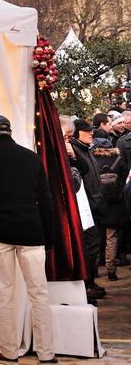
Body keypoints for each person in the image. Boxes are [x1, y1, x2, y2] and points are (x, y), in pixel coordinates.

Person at [0, 115, 57, 365]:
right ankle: (47, 354)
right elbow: (46, 201)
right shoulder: (31, 158)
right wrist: (47, 236)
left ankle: (10, 352)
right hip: (32, 233)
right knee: (39, 293)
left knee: (3, 293)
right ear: (10, 131)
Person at [70, 117, 106, 302]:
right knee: (90, 246)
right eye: (87, 130)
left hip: (94, 205)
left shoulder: (85, 149)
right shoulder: (74, 151)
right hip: (85, 207)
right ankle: (86, 285)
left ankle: (90, 283)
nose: (91, 133)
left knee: (94, 245)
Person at [90, 135, 129, 280]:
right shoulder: (118, 160)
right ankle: (111, 270)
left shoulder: (92, 159)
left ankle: (93, 269)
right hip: (115, 204)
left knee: (96, 238)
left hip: (97, 203)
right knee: (112, 237)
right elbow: (125, 180)